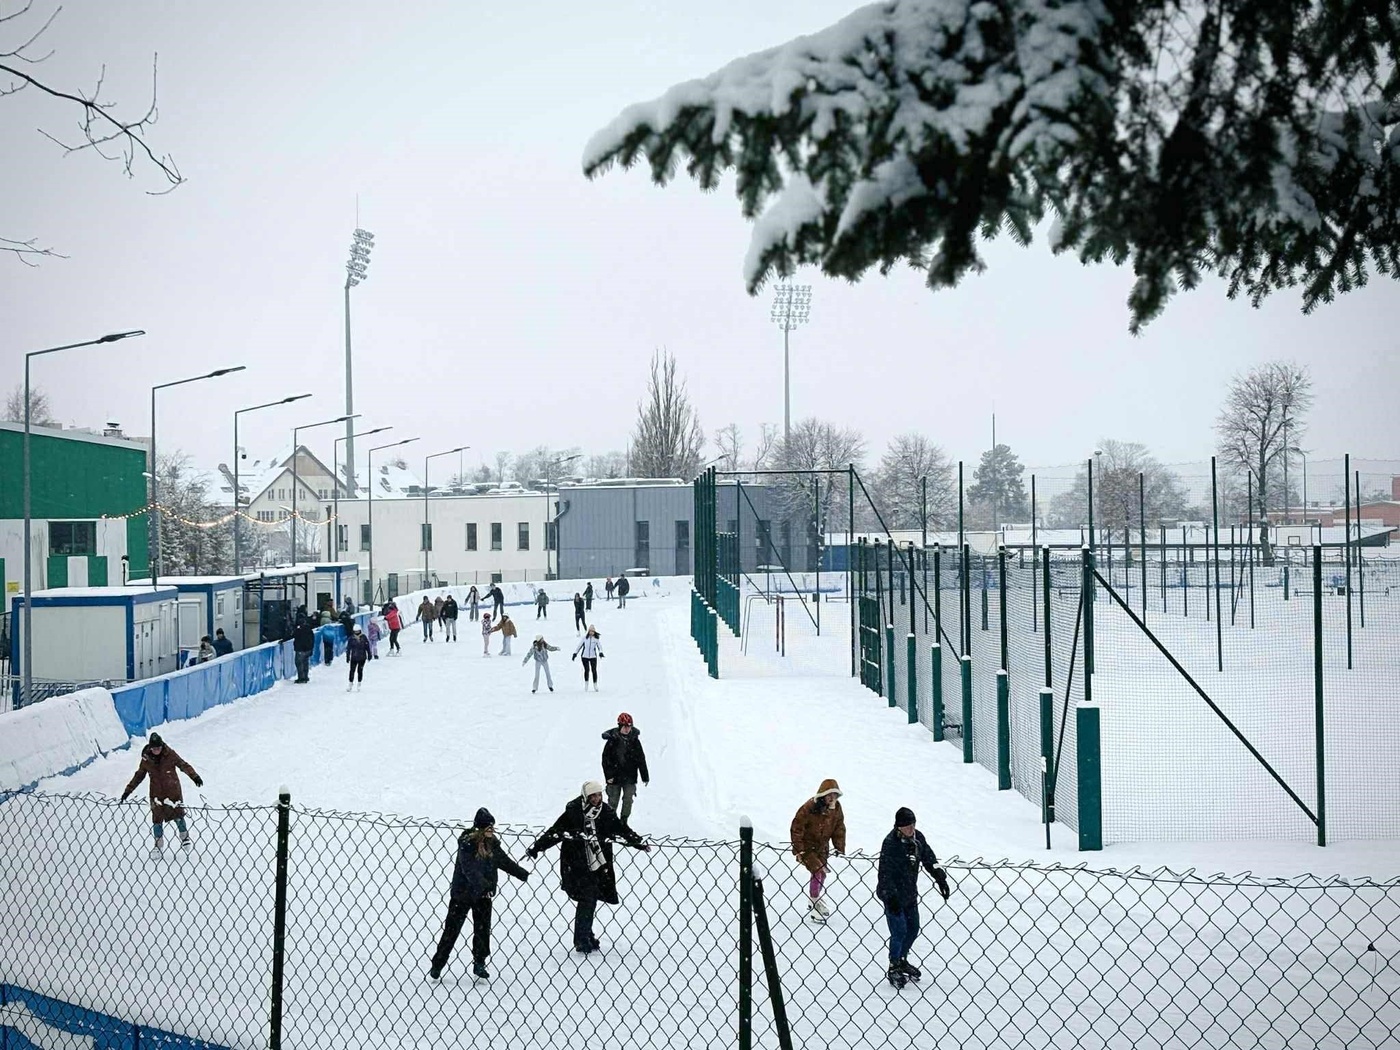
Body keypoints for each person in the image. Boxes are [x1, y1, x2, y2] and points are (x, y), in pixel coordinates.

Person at [527, 782, 650, 954]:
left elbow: (621, 829)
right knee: (587, 898)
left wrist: (638, 842)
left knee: (590, 899)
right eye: (593, 796)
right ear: (586, 796)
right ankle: (581, 938)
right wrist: (537, 848)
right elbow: (556, 832)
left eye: (599, 795)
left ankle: (586, 934)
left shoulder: (606, 813)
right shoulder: (574, 812)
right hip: (577, 863)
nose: (596, 799)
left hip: (598, 864)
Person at [430, 808, 531, 982]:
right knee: (452, 930)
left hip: (483, 896)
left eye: (493, 827)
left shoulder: (493, 844)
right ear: (480, 828)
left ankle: (479, 962)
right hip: (462, 894)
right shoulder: (467, 845)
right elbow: (469, 870)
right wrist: (484, 886)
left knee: (482, 930)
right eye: (488, 827)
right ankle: (438, 964)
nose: (492, 830)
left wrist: (521, 873)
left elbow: (503, 861)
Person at [876, 807, 951, 988]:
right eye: (907, 826)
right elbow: (885, 873)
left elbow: (928, 858)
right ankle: (894, 964)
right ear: (898, 827)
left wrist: (939, 876)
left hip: (909, 894)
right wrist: (891, 897)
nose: (911, 829)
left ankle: (902, 958)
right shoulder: (891, 843)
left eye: (913, 825)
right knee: (899, 930)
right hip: (892, 895)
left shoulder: (918, 839)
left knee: (913, 928)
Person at [120, 732, 202, 856]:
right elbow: (139, 776)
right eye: (154, 748)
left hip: (172, 791)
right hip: (156, 794)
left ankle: (185, 838)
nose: (156, 750)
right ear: (150, 748)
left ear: (162, 746)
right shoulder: (146, 759)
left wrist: (194, 776)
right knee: (157, 820)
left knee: (178, 815)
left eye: (158, 748)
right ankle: (158, 845)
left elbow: (183, 764)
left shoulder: (170, 754)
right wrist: (128, 791)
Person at [790, 779, 846, 922]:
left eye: (835, 795)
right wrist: (799, 849)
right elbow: (797, 827)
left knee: (823, 875)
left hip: (822, 848)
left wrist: (839, 847)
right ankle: (815, 904)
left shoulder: (836, 809)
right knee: (818, 871)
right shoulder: (810, 807)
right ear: (823, 794)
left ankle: (814, 899)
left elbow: (839, 828)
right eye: (829, 795)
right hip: (807, 847)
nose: (832, 798)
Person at [600, 712, 648, 823]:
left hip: (630, 777)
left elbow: (641, 759)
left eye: (629, 726)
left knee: (628, 800)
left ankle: (623, 822)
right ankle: (611, 823)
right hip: (614, 778)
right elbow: (605, 760)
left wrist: (644, 776)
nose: (627, 729)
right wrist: (609, 775)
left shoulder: (635, 741)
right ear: (620, 726)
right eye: (625, 727)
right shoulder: (612, 740)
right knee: (613, 801)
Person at [572, 626, 604, 691]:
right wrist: (575, 653)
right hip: (584, 657)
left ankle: (595, 684)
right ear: (588, 631)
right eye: (590, 631)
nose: (591, 632)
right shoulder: (584, 638)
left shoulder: (596, 639)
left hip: (593, 657)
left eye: (592, 631)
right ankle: (586, 684)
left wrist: (601, 652)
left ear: (594, 632)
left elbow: (600, 647)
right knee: (587, 670)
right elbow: (579, 646)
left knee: (594, 670)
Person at [345, 624, 370, 691]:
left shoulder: (363, 637)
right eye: (355, 631)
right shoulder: (351, 638)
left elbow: (367, 646)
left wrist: (369, 654)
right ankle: (350, 683)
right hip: (354, 657)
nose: (356, 632)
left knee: (360, 670)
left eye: (357, 631)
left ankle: (359, 683)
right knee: (352, 671)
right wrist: (347, 656)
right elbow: (348, 648)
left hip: (362, 657)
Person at [293, 616, 316, 683]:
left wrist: (283, 640)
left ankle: (301, 678)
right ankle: (305, 677)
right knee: (305, 663)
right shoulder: (309, 629)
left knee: (299, 663)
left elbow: (292, 635)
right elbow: (312, 639)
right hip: (308, 649)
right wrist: (311, 648)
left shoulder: (298, 630)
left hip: (300, 649)